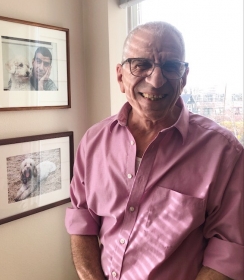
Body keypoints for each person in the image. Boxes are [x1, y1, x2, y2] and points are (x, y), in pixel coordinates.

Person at [65, 21, 243, 280]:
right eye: (141, 64)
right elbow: (82, 221)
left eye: (171, 67)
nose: (156, 80)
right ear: (120, 76)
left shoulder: (224, 153)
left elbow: (229, 253)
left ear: (184, 78)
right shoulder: (94, 141)